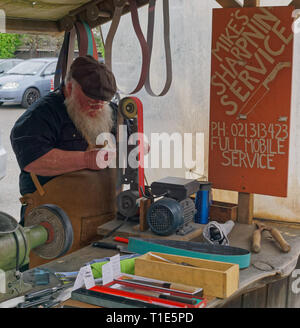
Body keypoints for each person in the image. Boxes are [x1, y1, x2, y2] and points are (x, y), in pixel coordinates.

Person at [10, 55, 120, 267]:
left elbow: (131, 140)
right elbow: (34, 161)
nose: (97, 107)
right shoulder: (40, 116)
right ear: (70, 88)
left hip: (102, 220)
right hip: (54, 225)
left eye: (102, 102)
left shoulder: (109, 111)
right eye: (90, 101)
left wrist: (138, 145)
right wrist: (87, 159)